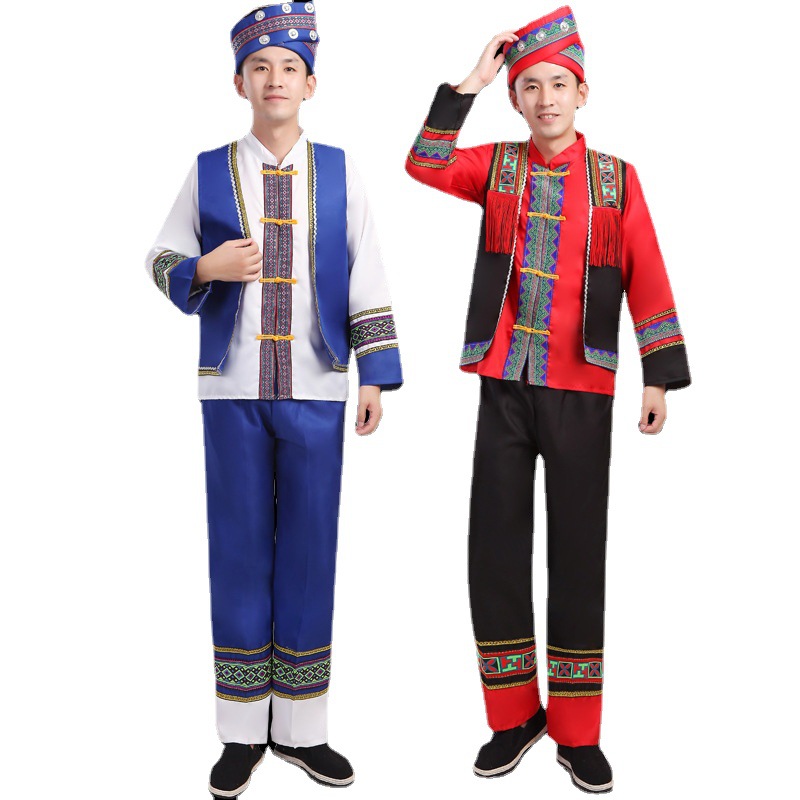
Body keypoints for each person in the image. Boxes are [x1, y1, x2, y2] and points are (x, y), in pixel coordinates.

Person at [405, 5, 689, 793]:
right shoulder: (496, 168)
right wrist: (470, 83)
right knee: (493, 550)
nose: (545, 99)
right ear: (516, 99)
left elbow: (648, 271)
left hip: (582, 389)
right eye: (529, 87)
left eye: (558, 85)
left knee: (577, 557)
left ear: (582, 93)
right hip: (504, 383)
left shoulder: (616, 180)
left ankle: (577, 730)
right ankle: (512, 717)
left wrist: (657, 376)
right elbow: (424, 163)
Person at [145, 3, 402, 795]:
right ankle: (239, 730)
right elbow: (159, 257)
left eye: (290, 67)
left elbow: (366, 271)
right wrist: (206, 268)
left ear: (311, 83)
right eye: (260, 68)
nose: (276, 79)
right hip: (231, 389)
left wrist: (374, 375)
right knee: (239, 549)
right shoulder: (208, 169)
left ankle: (302, 728)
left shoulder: (342, 171)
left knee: (311, 549)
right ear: (239, 83)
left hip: (320, 387)